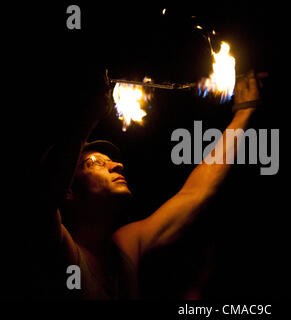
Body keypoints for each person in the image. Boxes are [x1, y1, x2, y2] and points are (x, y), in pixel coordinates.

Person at [35, 70, 263, 299]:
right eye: (95, 162)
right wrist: (87, 117)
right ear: (68, 191)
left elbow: (196, 192)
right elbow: (44, 195)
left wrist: (244, 112)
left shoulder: (127, 246)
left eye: (112, 160)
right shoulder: (55, 248)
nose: (117, 165)